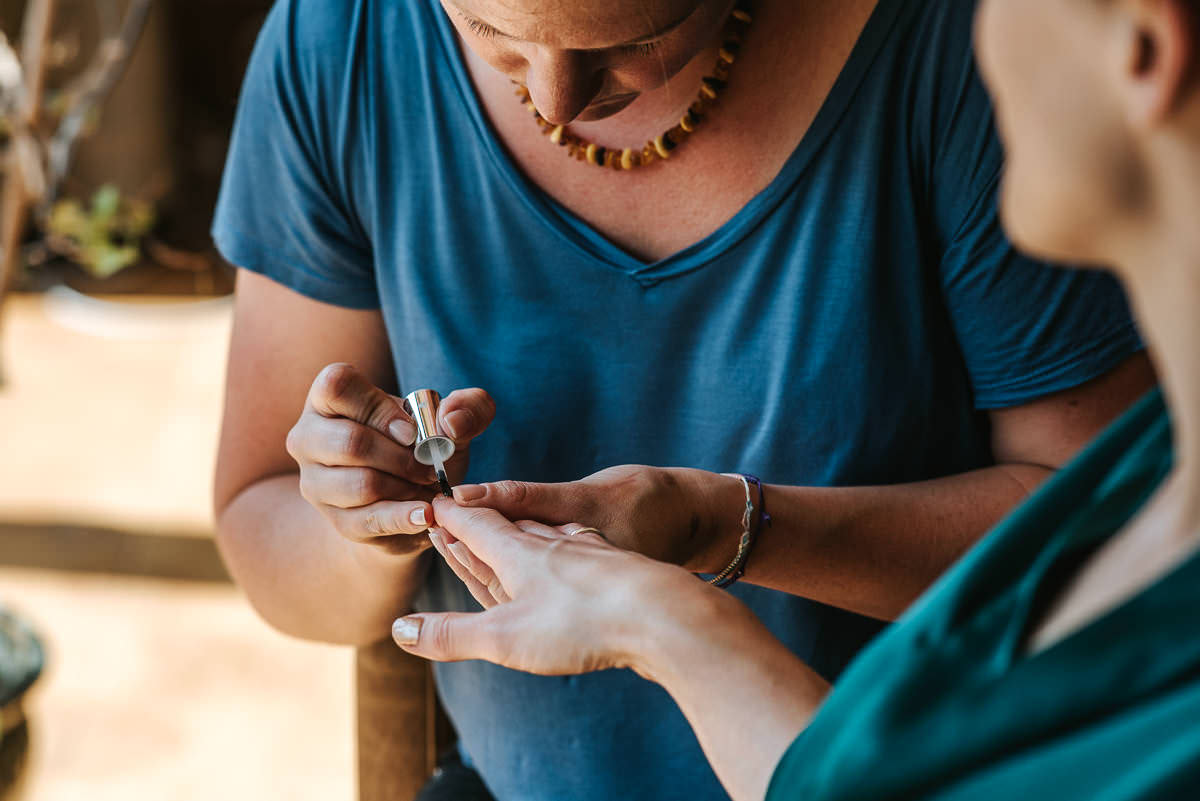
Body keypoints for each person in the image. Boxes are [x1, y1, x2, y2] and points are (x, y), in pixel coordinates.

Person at [211, 0, 1153, 798]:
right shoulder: (343, 41)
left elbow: (1110, 553)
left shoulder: (989, 54)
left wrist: (727, 528)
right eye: (489, 34)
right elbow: (267, 530)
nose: (554, 103)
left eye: (631, 39)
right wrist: (371, 527)